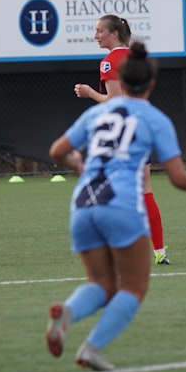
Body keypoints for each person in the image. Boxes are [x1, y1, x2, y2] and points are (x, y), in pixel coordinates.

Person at [47, 42, 186, 371]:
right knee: (133, 287)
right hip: (120, 204)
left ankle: (68, 313)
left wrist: (77, 163)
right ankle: (90, 348)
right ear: (151, 84)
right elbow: (176, 177)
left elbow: (57, 150)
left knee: (102, 285)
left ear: (120, 80)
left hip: (83, 203)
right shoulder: (154, 118)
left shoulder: (96, 112)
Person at [73, 15, 170, 265]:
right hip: (143, 128)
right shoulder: (140, 59)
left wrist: (90, 93)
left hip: (121, 133)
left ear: (114, 34)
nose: (96, 35)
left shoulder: (109, 62)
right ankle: (159, 250)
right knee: (145, 190)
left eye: (99, 31)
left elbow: (115, 101)